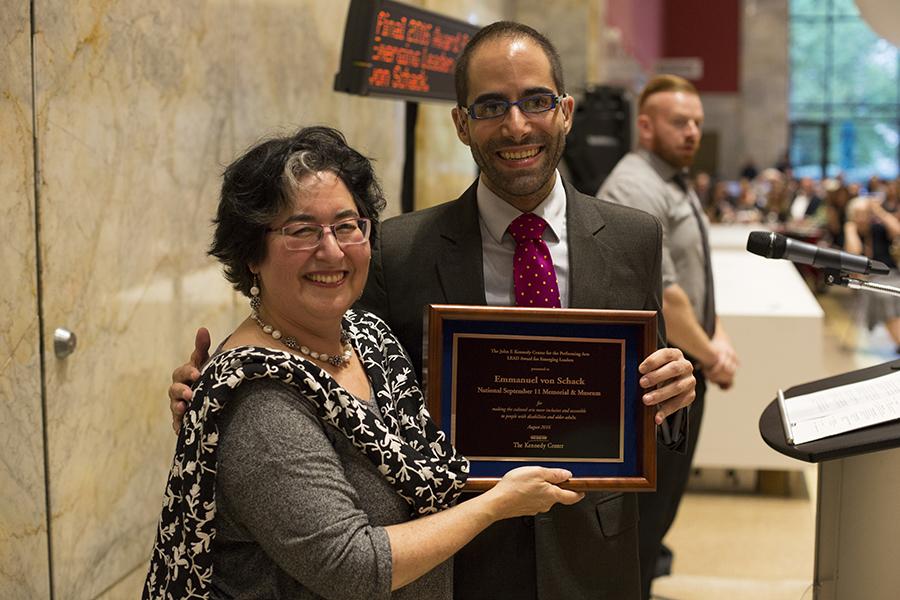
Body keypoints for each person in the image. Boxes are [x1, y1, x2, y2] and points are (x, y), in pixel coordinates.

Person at [169, 23, 696, 600]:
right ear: (462, 124)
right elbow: (307, 343)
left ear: (565, 111)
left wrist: (671, 395)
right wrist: (213, 397)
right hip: (455, 562)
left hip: (592, 550)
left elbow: (651, 391)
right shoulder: (396, 250)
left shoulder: (632, 238)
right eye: (492, 105)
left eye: (536, 101)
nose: (517, 125)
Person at [145, 126, 584, 599]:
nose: (332, 250)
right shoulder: (259, 401)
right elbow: (350, 566)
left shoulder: (366, 336)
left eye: (347, 225)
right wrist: (496, 505)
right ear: (252, 252)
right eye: (301, 231)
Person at [596, 74, 738, 599]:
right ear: (646, 125)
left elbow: (696, 276)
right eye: (680, 122)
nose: (692, 132)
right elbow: (668, 294)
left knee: (663, 510)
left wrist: (715, 340)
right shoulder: (634, 185)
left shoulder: (673, 180)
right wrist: (711, 354)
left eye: (698, 122)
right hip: (657, 379)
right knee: (645, 517)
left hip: (685, 368)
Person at [844, 195, 900, 354]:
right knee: (886, 295)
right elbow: (853, 254)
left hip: (893, 274)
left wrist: (878, 210)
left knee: (894, 292)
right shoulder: (852, 232)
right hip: (868, 280)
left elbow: (897, 231)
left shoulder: (878, 229)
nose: (862, 217)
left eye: (865, 213)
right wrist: (850, 228)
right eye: (858, 214)